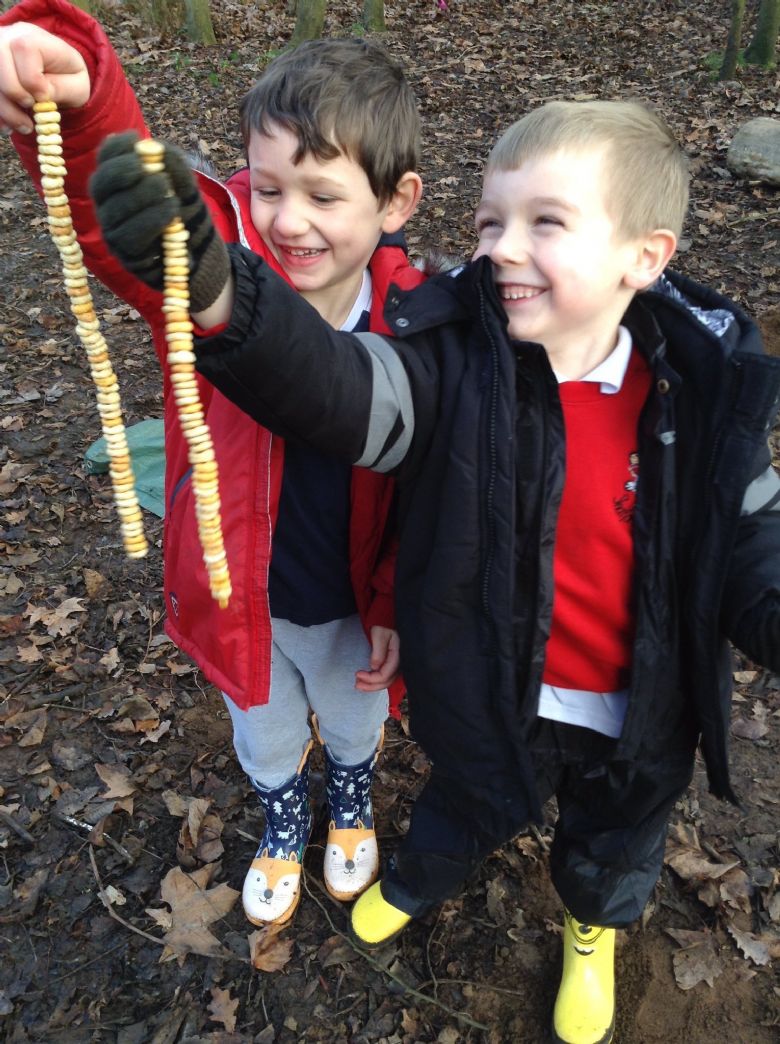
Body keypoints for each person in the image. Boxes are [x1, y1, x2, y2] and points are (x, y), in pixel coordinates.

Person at [90, 97, 778, 1044]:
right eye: (491, 220)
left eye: (545, 222)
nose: (499, 245)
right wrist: (216, 284)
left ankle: (589, 928)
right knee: (463, 795)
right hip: (489, 690)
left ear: (643, 256)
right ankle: (417, 876)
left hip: (638, 707)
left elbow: (754, 542)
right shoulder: (455, 368)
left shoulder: (702, 402)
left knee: (613, 838)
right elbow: (334, 388)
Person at [0, 0, 425, 929]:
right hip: (245, 596)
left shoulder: (421, 324)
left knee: (352, 724)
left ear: (394, 202)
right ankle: (284, 813)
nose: (290, 222)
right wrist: (79, 98)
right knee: (265, 729)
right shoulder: (213, 281)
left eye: (323, 196)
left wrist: (395, 600)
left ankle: (348, 800)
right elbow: (131, 222)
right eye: (268, 190)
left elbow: (427, 497)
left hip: (353, 600)